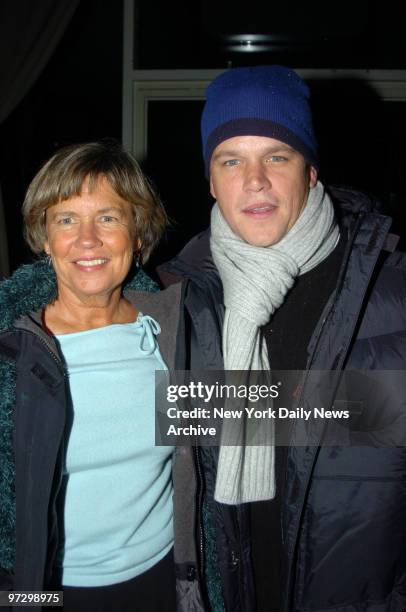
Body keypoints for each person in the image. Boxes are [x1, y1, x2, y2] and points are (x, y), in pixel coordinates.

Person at [160, 66, 406, 611]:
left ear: (311, 171)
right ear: (210, 180)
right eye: (231, 160)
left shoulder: (391, 295)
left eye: (276, 156)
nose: (254, 180)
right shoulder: (176, 300)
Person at [0, 141, 196, 612]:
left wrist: (380, 408)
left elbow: (256, 421)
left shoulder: (175, 330)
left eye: (108, 217)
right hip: (45, 590)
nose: (87, 239)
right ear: (44, 238)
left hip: (163, 581)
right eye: (66, 219)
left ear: (138, 234)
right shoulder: (11, 350)